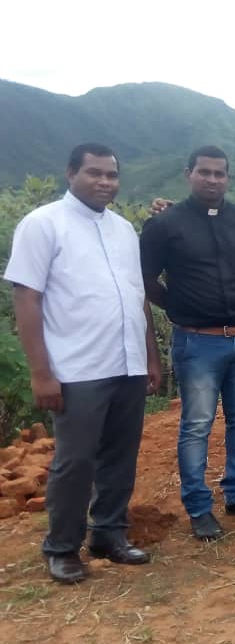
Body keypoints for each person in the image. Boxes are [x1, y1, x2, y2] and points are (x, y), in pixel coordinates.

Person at [5, 144, 161, 583]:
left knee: (121, 455)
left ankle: (109, 535)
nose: (105, 182)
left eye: (112, 175)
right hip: (76, 368)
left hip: (127, 363)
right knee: (75, 461)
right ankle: (61, 547)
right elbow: (27, 299)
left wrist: (151, 354)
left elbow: (138, 298)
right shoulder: (43, 225)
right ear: (71, 172)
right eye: (95, 173)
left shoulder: (124, 230)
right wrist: (41, 372)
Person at [140, 146, 235, 541]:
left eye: (219, 173)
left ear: (228, 177)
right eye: (204, 172)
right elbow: (146, 277)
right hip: (197, 342)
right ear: (188, 174)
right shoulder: (165, 224)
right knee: (197, 425)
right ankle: (198, 506)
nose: (212, 179)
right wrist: (178, 306)